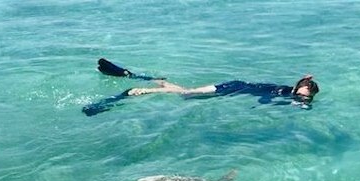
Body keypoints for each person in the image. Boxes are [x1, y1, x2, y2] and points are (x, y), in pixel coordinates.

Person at [126, 75, 320, 108]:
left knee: (189, 93)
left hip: (235, 86)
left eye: (307, 98)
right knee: (188, 94)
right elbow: (264, 99)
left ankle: (161, 82)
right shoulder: (283, 91)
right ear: (297, 89)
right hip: (232, 87)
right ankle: (147, 90)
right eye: (303, 95)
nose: (304, 99)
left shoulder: (289, 91)